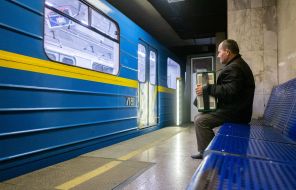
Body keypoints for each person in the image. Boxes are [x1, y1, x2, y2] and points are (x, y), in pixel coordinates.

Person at [191, 39, 255, 159]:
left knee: (200, 121)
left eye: (219, 52)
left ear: (227, 52)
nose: (218, 55)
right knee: (200, 116)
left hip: (236, 113)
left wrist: (207, 88)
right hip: (236, 109)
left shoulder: (234, 67)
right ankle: (205, 151)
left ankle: (211, 156)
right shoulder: (236, 64)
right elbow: (230, 89)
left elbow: (229, 91)